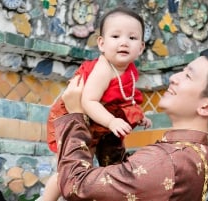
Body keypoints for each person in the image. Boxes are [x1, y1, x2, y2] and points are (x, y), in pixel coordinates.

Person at [54, 48, 208, 201]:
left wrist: (75, 116)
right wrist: (108, 124)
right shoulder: (196, 152)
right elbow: (126, 181)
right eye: (181, 71)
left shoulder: (166, 160)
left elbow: (76, 186)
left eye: (188, 76)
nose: (174, 78)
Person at [43, 7, 152, 201]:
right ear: (101, 43)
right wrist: (111, 122)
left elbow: (125, 97)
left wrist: (138, 114)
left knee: (100, 163)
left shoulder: (130, 70)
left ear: (141, 47)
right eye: (116, 36)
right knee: (71, 164)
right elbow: (88, 101)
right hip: (76, 116)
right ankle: (45, 199)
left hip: (97, 122)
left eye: (132, 38)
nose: (124, 42)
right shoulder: (104, 68)